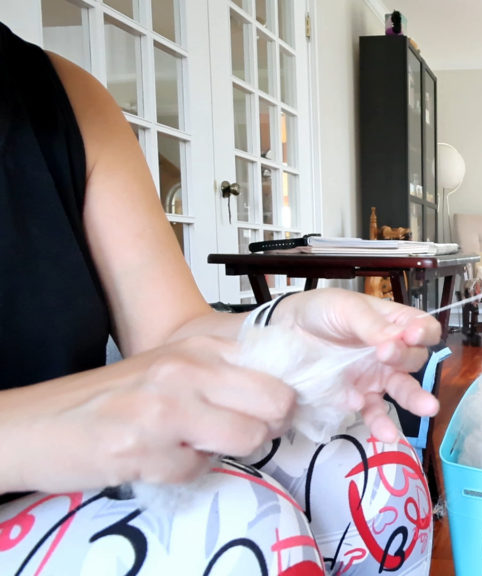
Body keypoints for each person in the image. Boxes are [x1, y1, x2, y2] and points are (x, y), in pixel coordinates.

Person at [0, 22, 438, 575]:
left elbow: (168, 331)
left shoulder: (67, 97)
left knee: (380, 476)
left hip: (67, 482)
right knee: (242, 533)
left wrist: (284, 329)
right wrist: (44, 424)